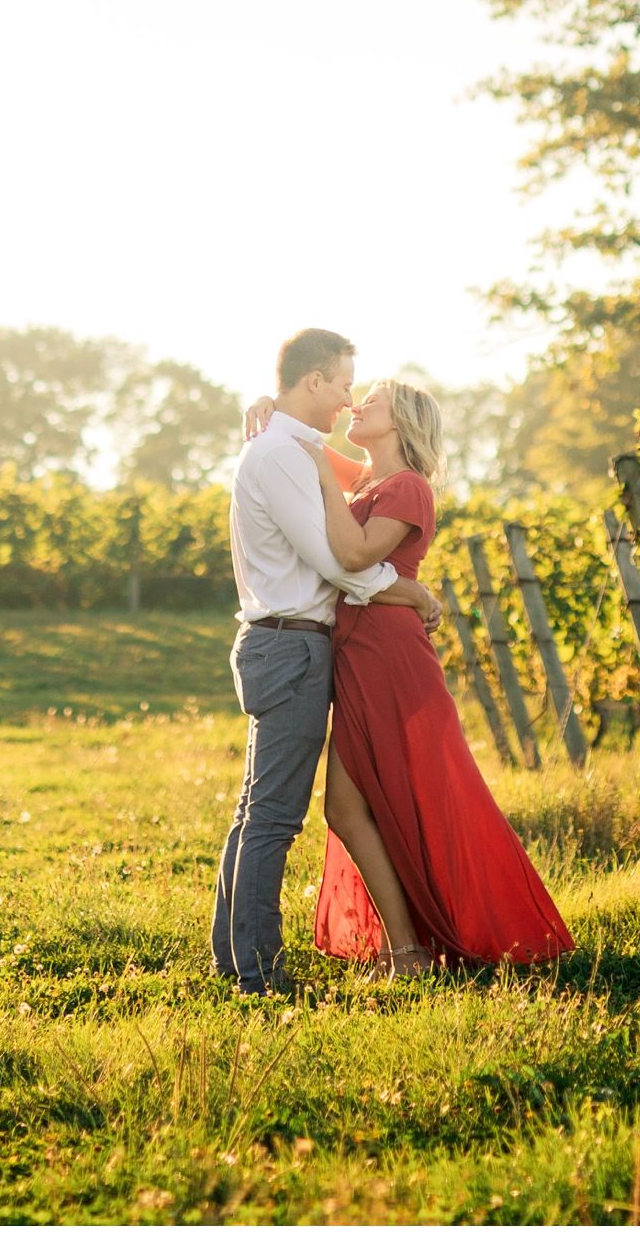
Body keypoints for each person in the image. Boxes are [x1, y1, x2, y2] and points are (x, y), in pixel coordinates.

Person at [282, 380, 574, 973]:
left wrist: (317, 466)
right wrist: (268, 410)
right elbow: (296, 439)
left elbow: (356, 555)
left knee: (414, 803)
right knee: (347, 808)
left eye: (372, 402)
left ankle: (414, 948)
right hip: (359, 662)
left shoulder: (407, 488)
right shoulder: (363, 479)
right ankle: (406, 946)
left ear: (402, 421)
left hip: (394, 666)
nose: (357, 405)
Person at [209, 328, 444, 996]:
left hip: (288, 642)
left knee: (260, 810)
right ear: (312, 381)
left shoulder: (289, 447)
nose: (346, 399)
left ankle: (236, 959)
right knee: (274, 817)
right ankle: (254, 972)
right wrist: (413, 592)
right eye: (342, 382)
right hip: (288, 644)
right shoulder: (284, 455)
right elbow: (338, 562)